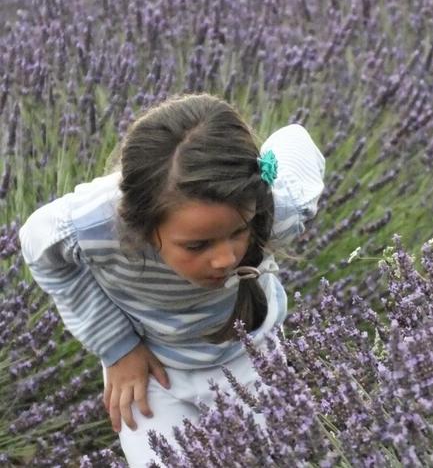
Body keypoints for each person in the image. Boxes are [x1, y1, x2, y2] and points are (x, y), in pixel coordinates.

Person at [19, 93, 325, 467]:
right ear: (141, 225)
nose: (225, 258)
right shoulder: (94, 225)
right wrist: (117, 347)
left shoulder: (279, 207)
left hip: (252, 358)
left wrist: (255, 168)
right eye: (197, 245)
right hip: (152, 374)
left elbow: (296, 140)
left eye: (238, 231)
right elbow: (38, 248)